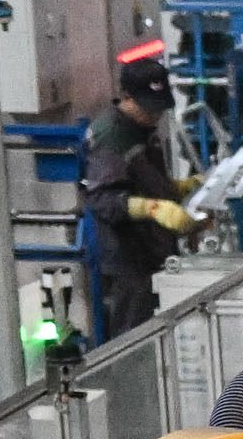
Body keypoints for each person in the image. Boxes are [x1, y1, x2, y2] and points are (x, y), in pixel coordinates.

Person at [81, 56, 196, 339]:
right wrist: (152, 207)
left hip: (152, 250)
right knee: (134, 340)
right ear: (127, 97)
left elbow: (144, 177)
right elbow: (101, 201)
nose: (154, 115)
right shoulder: (111, 136)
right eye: (148, 107)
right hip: (127, 259)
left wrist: (178, 188)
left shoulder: (142, 129)